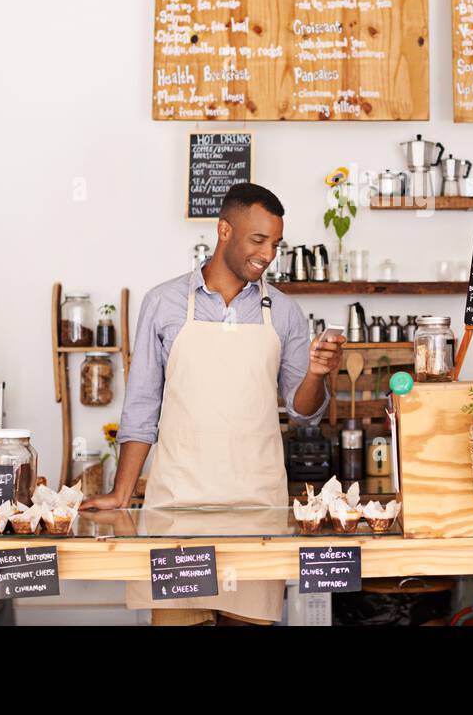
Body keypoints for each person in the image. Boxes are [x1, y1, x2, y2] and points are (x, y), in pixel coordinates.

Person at [81, 183, 343, 625]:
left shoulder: (283, 312)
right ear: (224, 230)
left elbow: (304, 411)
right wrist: (122, 492)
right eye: (258, 240)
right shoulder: (163, 303)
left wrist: (317, 375)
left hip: (258, 509)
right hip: (177, 510)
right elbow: (142, 403)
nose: (267, 254)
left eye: (275, 244)